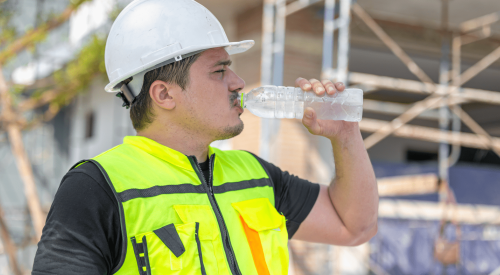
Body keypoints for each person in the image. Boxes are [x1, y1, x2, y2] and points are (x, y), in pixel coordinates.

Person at [32, 0, 378, 274]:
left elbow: (355, 227)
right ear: (164, 95)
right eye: (219, 71)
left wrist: (344, 135)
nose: (238, 83)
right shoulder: (97, 187)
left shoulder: (253, 174)